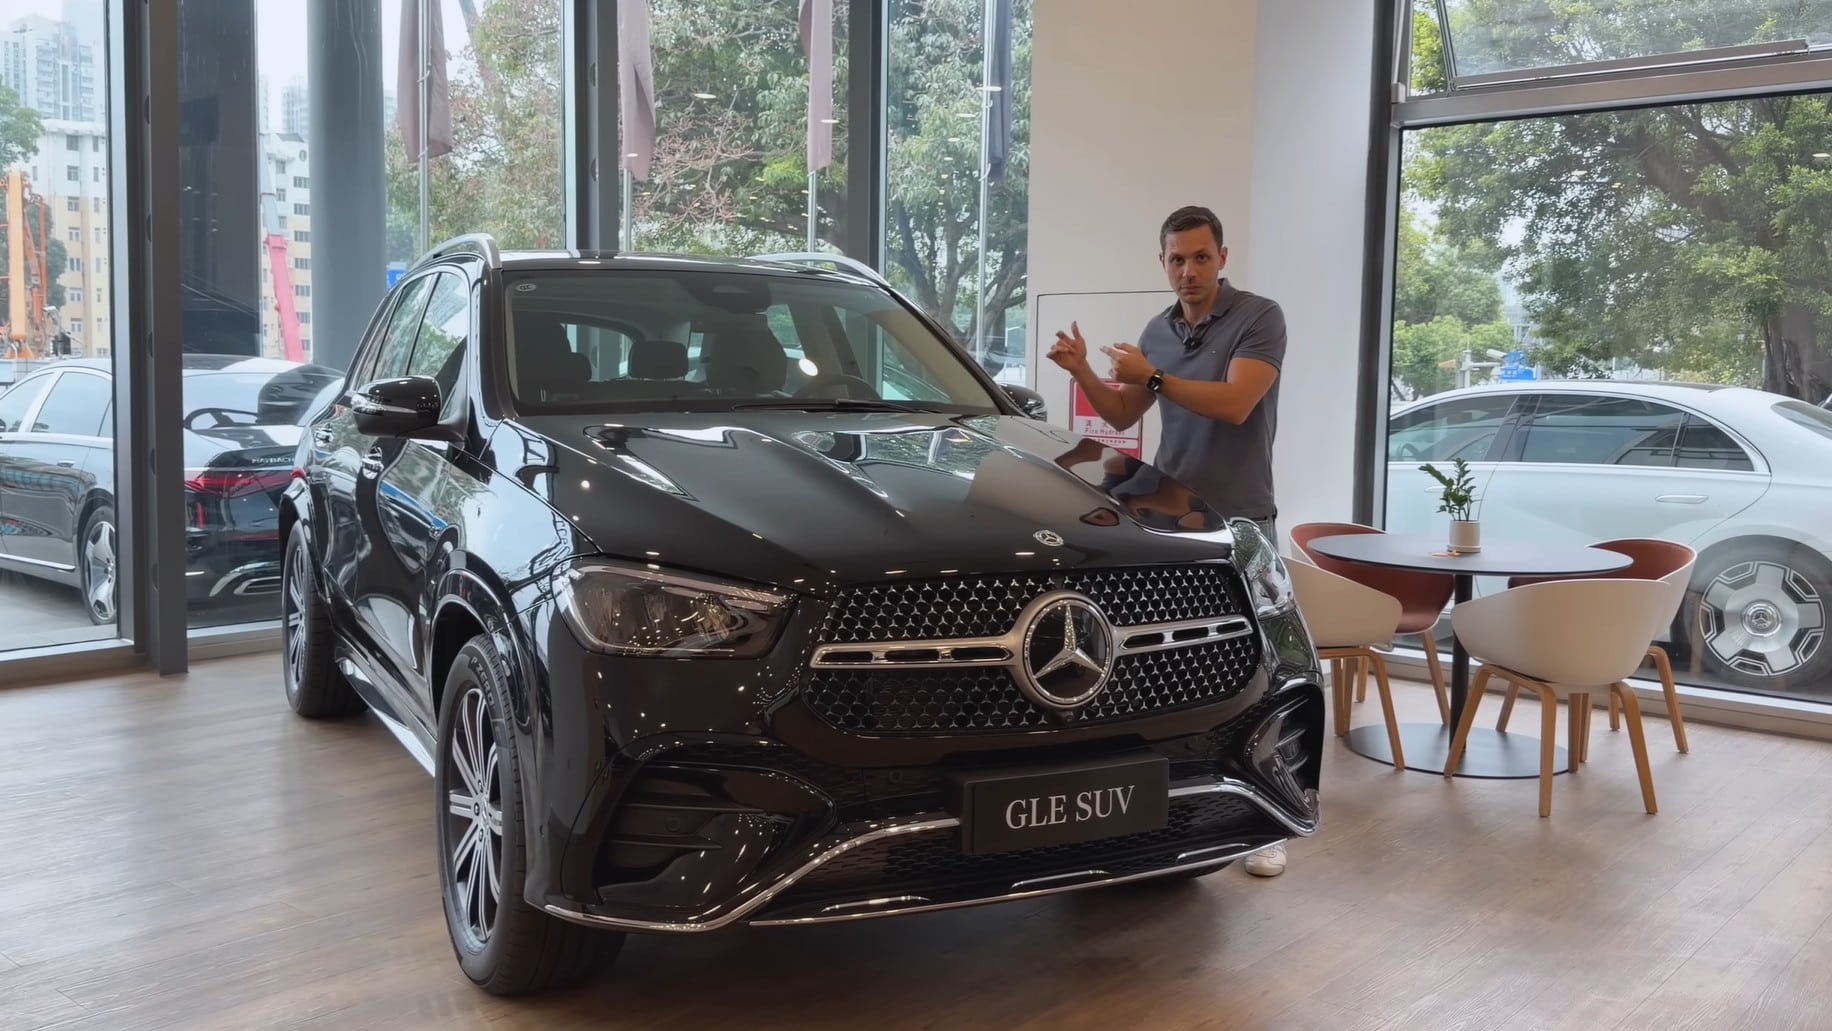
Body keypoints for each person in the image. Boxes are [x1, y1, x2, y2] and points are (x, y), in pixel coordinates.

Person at [1048, 203, 1290, 878]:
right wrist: (1083, 371)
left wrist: (1152, 376)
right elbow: (1127, 408)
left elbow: (1235, 403)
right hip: (1167, 519)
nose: (1189, 271)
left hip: (1241, 519)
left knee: (1261, 669)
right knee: (1171, 669)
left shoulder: (1259, 317)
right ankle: (1171, 804)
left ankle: (1266, 823)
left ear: (1222, 258)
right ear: (1163, 262)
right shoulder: (1157, 329)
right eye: (1177, 259)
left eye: (1201, 257)